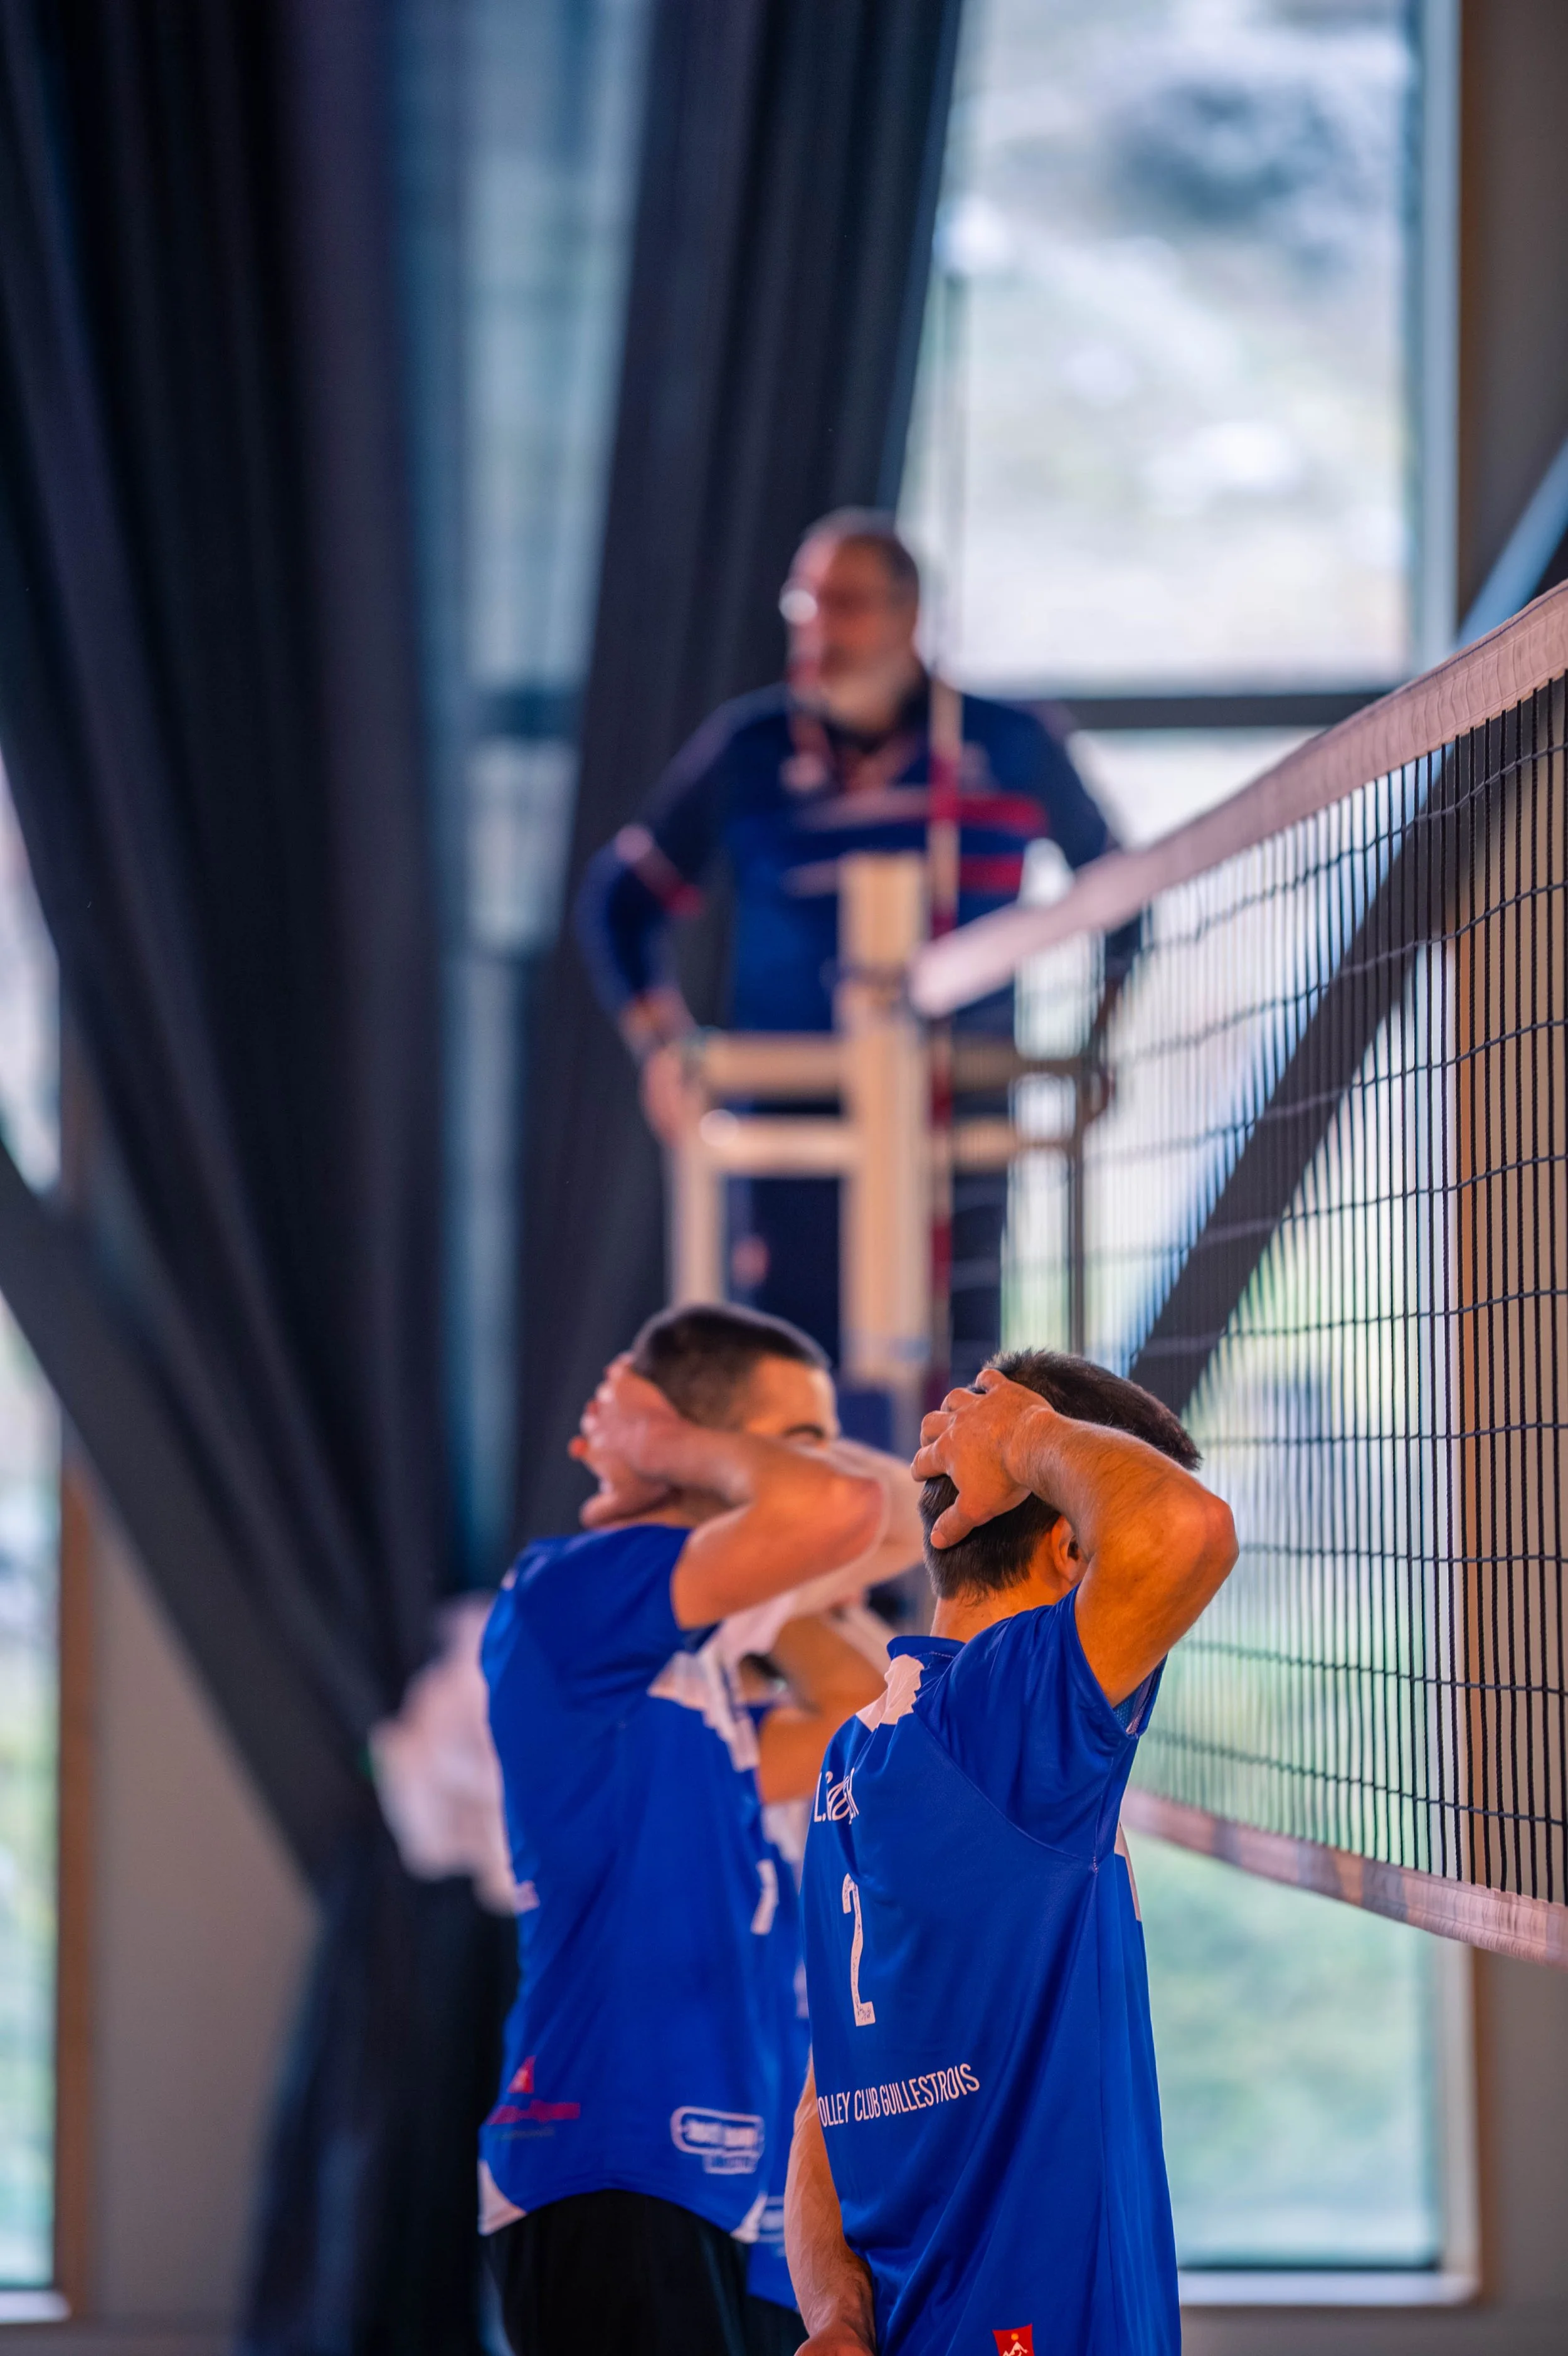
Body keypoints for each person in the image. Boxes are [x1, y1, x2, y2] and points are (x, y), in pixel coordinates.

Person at [575, 511, 1130, 1382]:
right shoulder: (748, 749)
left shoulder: (1010, 744)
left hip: (961, 1119)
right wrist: (661, 1049)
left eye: (846, 604)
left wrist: (1100, 1037)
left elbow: (1122, 894)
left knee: (963, 1388)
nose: (817, 627)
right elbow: (619, 902)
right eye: (806, 602)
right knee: (794, 1385)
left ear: (910, 616)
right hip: (795, 1129)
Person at [784, 1351, 1238, 2356]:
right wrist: (1025, 1439)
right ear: (1074, 1547)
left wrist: (836, 2317)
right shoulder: (1004, 1723)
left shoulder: (857, 1756)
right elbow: (1187, 1532)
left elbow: (825, 2107)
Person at [479, 1302, 898, 2356]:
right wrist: (662, 1450)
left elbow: (870, 1684)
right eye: (789, 1443)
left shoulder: (701, 1669)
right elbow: (844, 1509)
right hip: (613, 2161)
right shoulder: (566, 1595)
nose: (819, 1466)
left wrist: (759, 1566)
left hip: (716, 2185)